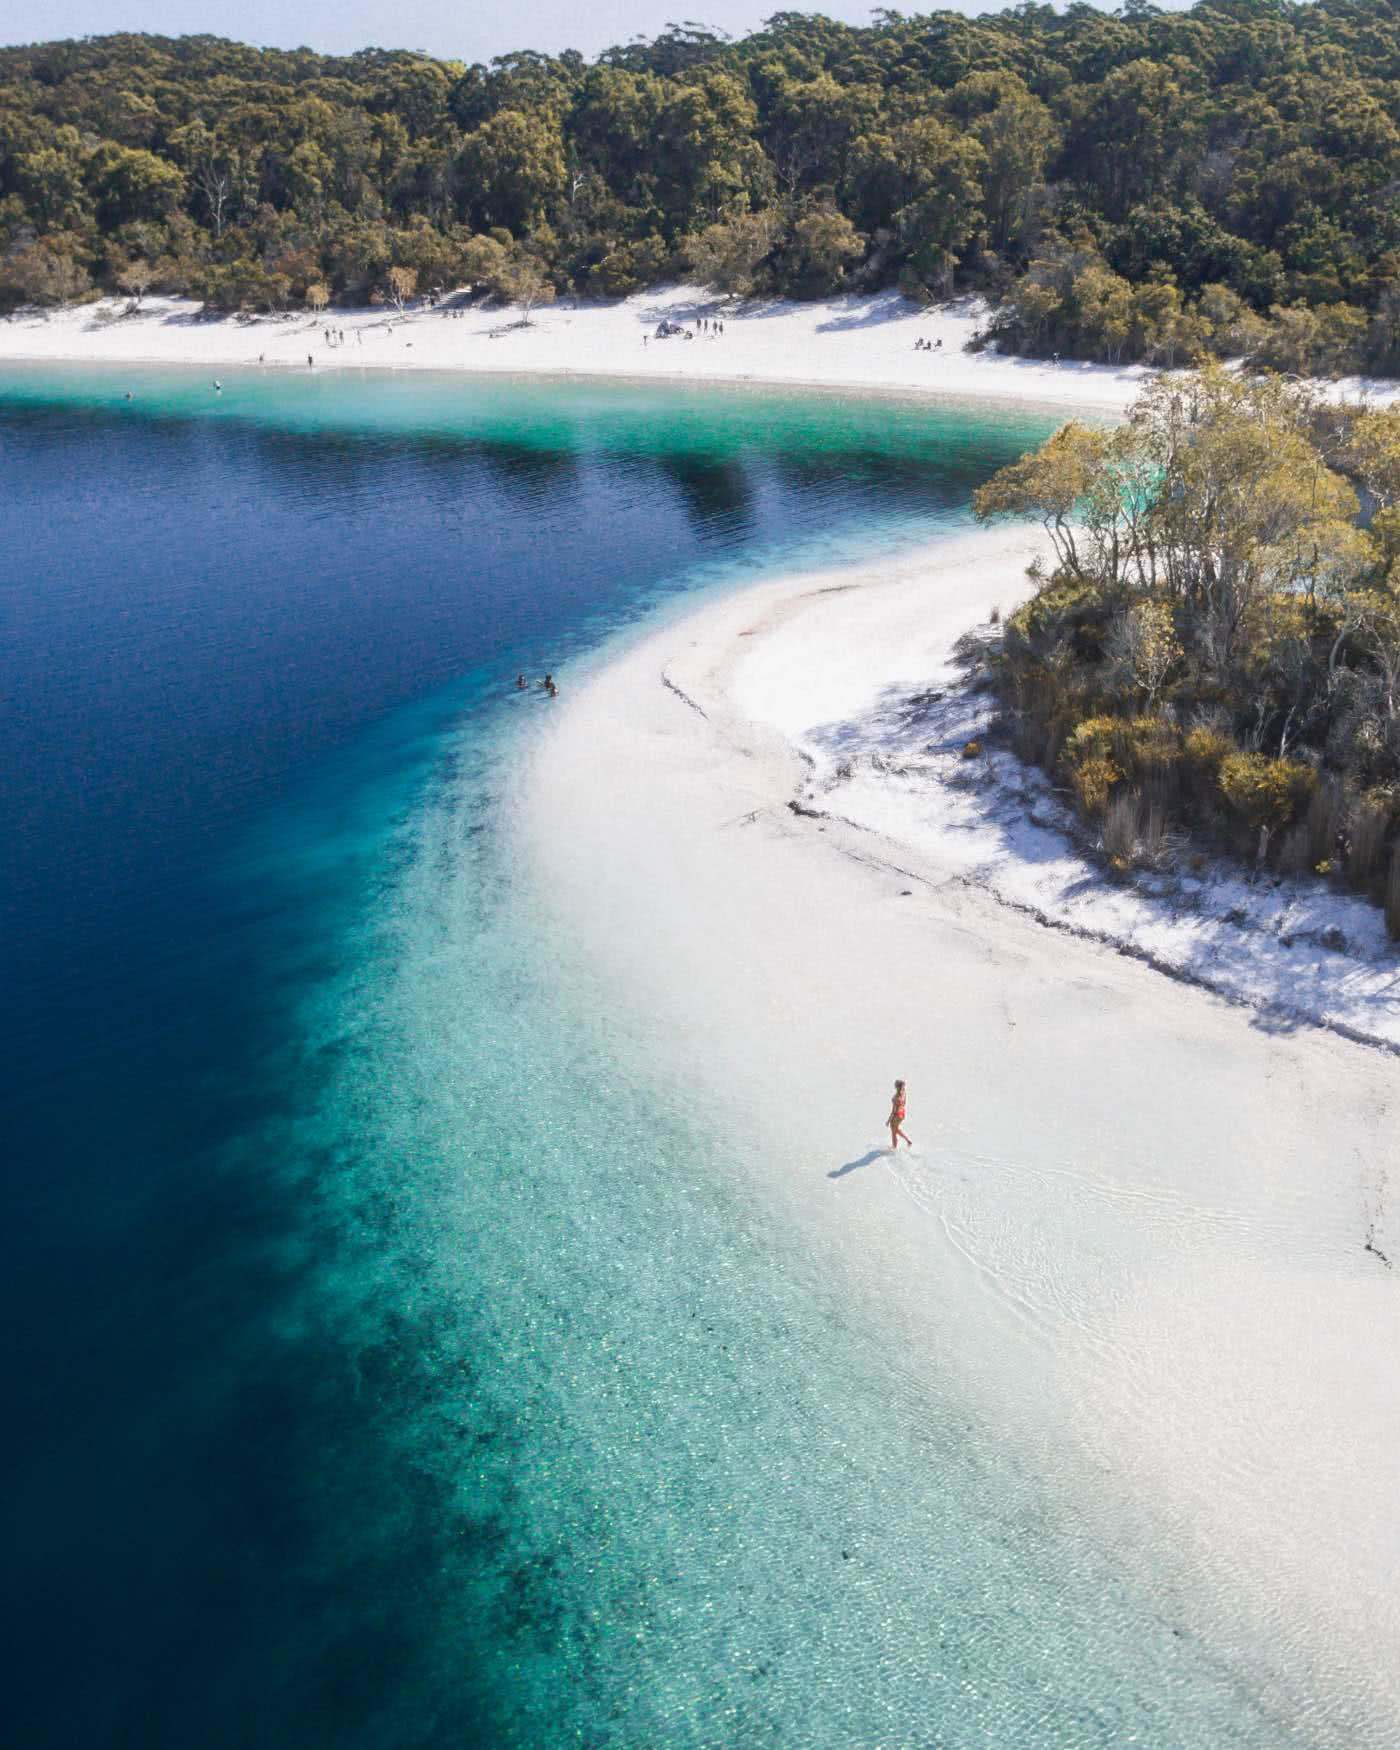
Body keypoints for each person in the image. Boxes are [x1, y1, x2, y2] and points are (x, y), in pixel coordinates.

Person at [887, 1079, 912, 1151]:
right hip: (902, 1113)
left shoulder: (896, 1098)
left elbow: (893, 1110)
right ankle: (908, 1140)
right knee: (896, 1129)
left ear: (897, 1087)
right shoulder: (903, 1093)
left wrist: (889, 1120)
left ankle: (894, 1148)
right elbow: (904, 1103)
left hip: (896, 1115)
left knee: (893, 1132)